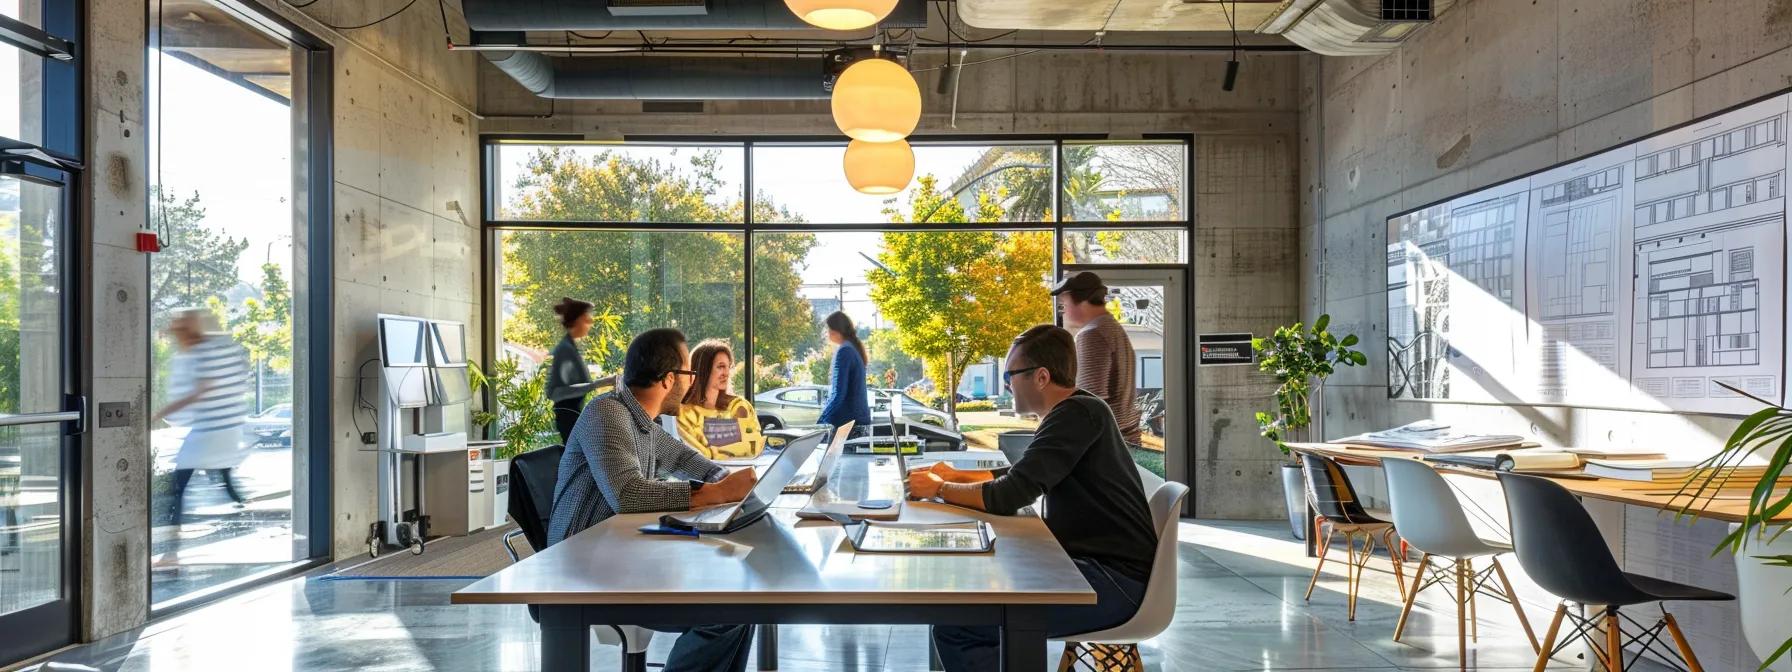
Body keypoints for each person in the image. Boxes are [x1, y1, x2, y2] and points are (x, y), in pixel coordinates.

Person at [909, 324, 1158, 672]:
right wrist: (952, 476)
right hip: (1091, 569)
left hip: (1115, 583)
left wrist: (938, 489)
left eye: (1012, 374)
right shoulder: (1076, 410)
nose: (1007, 383)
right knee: (968, 601)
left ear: (1041, 377)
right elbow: (1020, 477)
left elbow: (1008, 495)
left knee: (959, 626)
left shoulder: (1077, 414)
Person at [547, 327, 761, 672]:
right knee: (727, 611)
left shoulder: (643, 421)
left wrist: (727, 481)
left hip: (623, 552)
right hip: (585, 569)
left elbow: (687, 461)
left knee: (742, 600)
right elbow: (628, 494)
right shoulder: (607, 414)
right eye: (690, 373)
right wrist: (715, 493)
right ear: (667, 379)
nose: (693, 382)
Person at [151, 308, 252, 570]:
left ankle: (171, 554)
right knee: (224, 476)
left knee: (178, 488)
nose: (174, 330)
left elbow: (199, 391)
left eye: (178, 326)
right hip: (226, 429)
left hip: (210, 432)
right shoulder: (221, 348)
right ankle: (245, 506)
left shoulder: (202, 352)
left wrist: (159, 413)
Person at [1051, 271, 1142, 447]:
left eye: (1065, 304)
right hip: (1124, 439)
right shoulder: (1113, 328)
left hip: (1107, 445)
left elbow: (1087, 402)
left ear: (1083, 301)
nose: (1063, 312)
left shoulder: (1092, 334)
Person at [676, 339, 766, 459]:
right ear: (703, 369)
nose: (726, 373)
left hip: (743, 472)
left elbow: (753, 447)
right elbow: (699, 456)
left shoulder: (739, 406)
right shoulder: (682, 412)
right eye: (721, 367)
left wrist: (711, 447)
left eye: (728, 367)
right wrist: (733, 445)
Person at [546, 297, 600, 443]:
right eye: (587, 319)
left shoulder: (570, 348)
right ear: (577, 320)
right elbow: (554, 392)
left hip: (573, 417)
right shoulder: (565, 350)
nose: (590, 323)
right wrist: (598, 384)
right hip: (568, 418)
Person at [817, 311, 871, 437]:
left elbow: (838, 393)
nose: (827, 333)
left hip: (847, 424)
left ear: (835, 331)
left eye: (828, 329)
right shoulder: (853, 349)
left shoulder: (845, 352)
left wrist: (821, 422)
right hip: (857, 421)